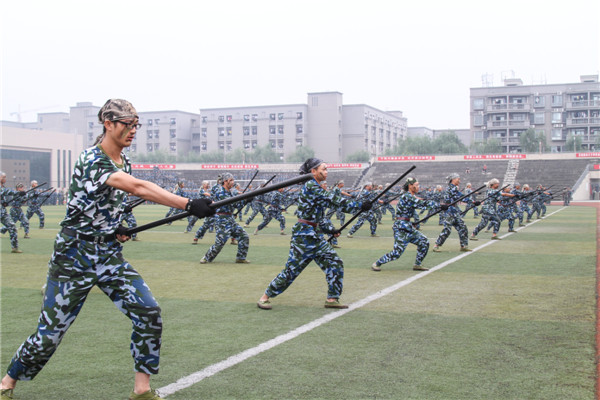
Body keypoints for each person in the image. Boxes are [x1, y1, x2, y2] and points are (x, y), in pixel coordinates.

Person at [0, 99, 214, 400]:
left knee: (148, 312)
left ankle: (142, 389)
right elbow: (137, 187)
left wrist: (116, 228)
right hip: (73, 255)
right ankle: (7, 382)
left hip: (108, 254)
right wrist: (188, 204)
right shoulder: (92, 158)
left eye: (136, 125)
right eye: (127, 124)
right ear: (108, 124)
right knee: (50, 334)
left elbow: (110, 203)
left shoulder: (124, 161)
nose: (133, 130)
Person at [257, 158, 368, 310]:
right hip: (304, 236)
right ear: (313, 171)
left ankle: (332, 298)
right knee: (292, 270)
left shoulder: (316, 187)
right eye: (324, 169)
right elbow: (333, 200)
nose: (326, 172)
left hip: (315, 235)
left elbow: (321, 212)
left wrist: (329, 230)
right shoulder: (311, 185)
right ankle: (265, 297)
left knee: (334, 262)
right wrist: (359, 205)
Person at [371, 177, 442, 272]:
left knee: (424, 242)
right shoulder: (407, 196)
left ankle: (417, 264)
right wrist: (440, 205)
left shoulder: (410, 196)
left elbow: (418, 202)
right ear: (410, 186)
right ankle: (377, 263)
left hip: (407, 226)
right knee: (397, 253)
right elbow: (422, 204)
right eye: (416, 185)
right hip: (401, 228)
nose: (418, 187)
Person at [200, 173, 250, 264]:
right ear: (225, 181)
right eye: (231, 180)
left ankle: (240, 258)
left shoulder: (230, 192)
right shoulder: (220, 192)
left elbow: (237, 205)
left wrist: (247, 200)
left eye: (233, 180)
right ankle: (206, 258)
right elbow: (232, 203)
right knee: (220, 243)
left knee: (244, 236)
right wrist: (244, 199)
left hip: (230, 219)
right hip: (222, 220)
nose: (233, 182)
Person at [432, 173, 476, 253]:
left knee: (463, 227)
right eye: (458, 179)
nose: (459, 180)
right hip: (449, 212)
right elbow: (460, 197)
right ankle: (436, 245)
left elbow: (461, 196)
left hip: (455, 211)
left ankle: (463, 246)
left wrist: (473, 202)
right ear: (453, 179)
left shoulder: (454, 188)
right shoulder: (451, 188)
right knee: (447, 230)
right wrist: (471, 201)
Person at [0, 172, 25, 253]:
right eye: (3, 177)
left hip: (2, 212)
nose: (5, 179)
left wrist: (4, 203)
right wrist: (18, 193)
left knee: (12, 226)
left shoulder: (2, 187)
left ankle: (14, 248)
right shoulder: (2, 188)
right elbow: (5, 192)